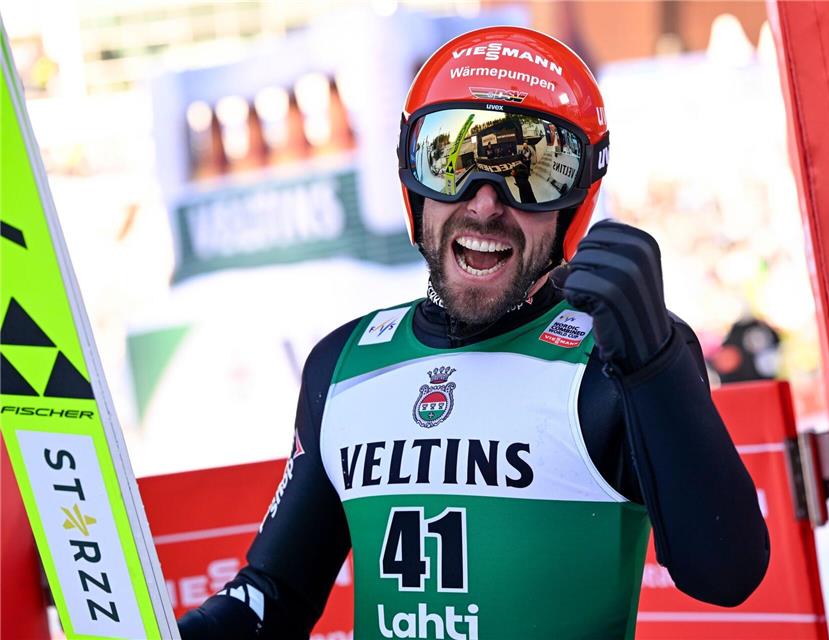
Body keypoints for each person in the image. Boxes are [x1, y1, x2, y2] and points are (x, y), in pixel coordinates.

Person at [178, 26, 769, 639]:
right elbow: (276, 594)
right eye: (451, 162)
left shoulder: (612, 358)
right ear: (413, 181)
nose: (484, 203)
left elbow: (726, 573)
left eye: (530, 171)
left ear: (576, 201)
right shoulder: (343, 363)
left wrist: (657, 362)